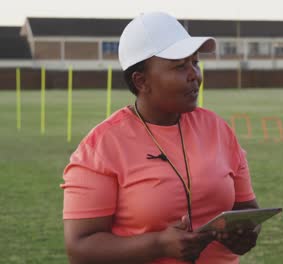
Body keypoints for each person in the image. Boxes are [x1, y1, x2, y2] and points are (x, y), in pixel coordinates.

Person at [61, 12, 260, 264]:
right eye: (180, 66)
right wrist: (157, 245)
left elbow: (248, 210)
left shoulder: (218, 129)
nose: (195, 75)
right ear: (141, 81)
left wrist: (246, 231)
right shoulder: (101, 147)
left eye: (195, 63)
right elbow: (80, 249)